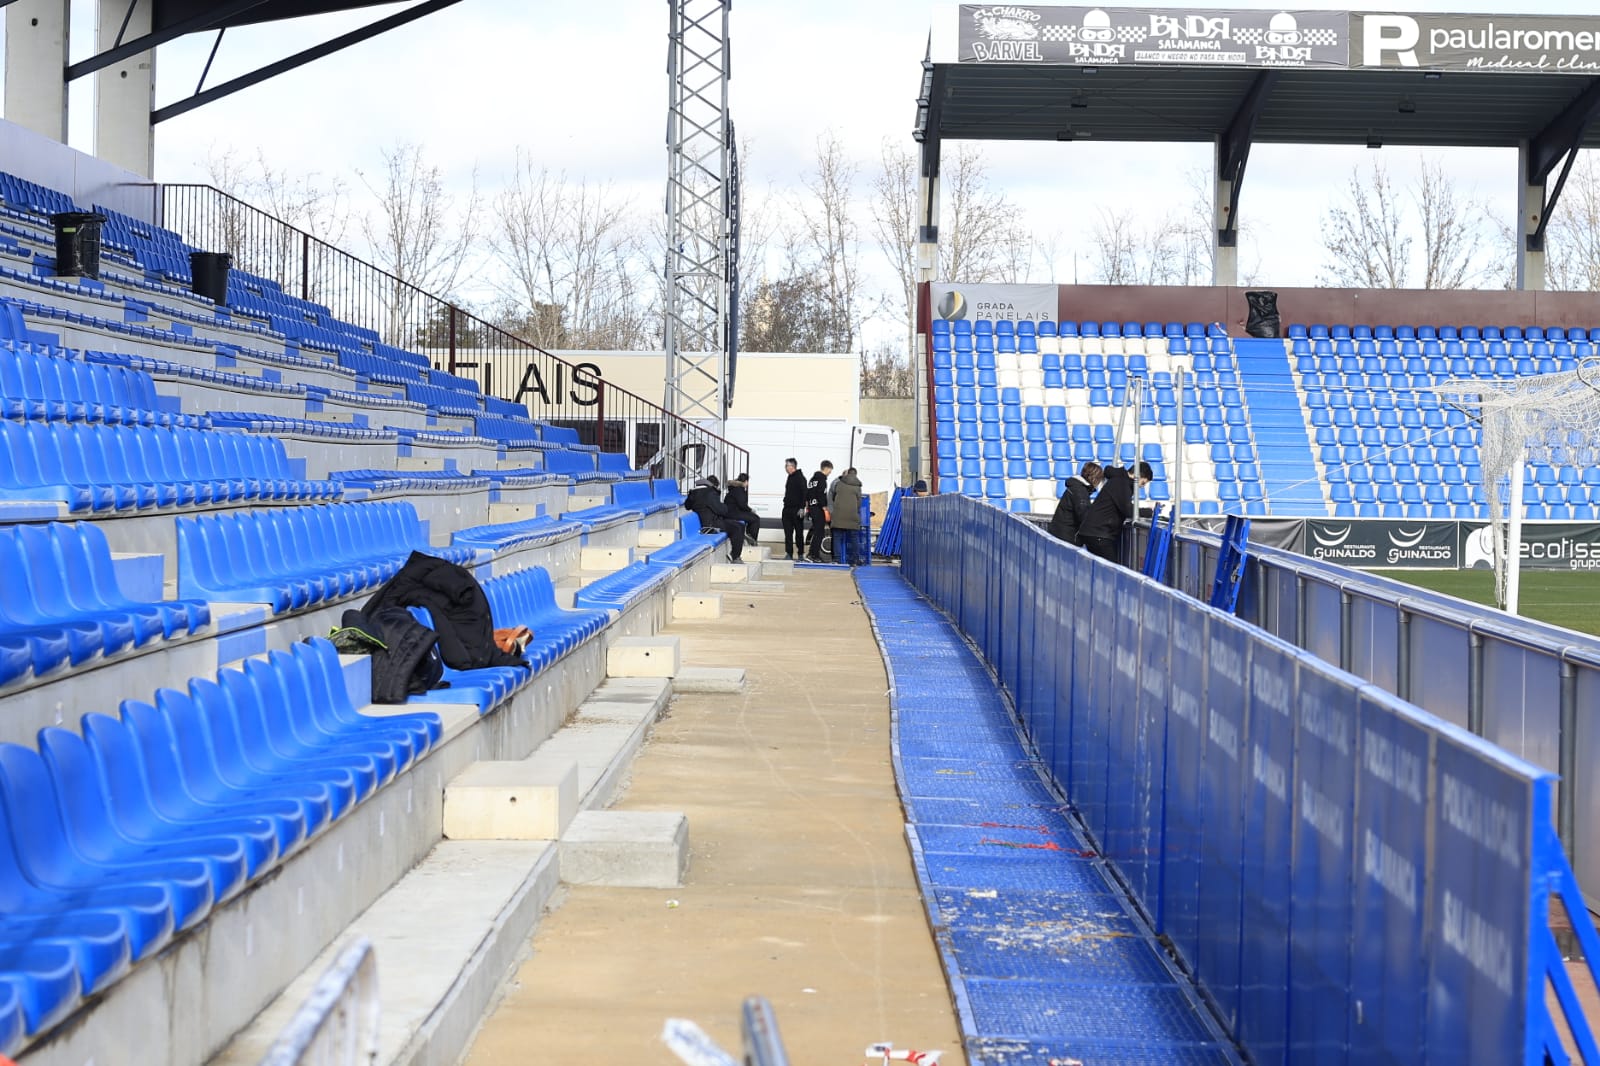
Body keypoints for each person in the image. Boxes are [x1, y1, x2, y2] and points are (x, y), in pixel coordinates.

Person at [1076, 464, 1134, 564]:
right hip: (1100, 534)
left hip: (1094, 532)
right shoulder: (1122, 483)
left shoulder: (1116, 481)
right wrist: (1148, 512)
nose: (1141, 486)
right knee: (1110, 569)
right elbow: (1127, 509)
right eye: (1143, 482)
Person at [684, 476, 746, 563]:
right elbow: (722, 510)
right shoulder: (709, 493)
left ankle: (735, 554)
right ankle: (735, 557)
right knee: (738, 527)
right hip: (710, 525)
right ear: (714, 485)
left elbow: (687, 506)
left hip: (705, 523)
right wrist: (724, 506)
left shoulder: (694, 493)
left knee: (739, 525)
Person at [1047, 461, 1102, 545]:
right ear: (1094, 478)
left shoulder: (1075, 488)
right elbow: (1084, 517)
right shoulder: (1080, 492)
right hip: (1066, 538)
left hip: (1059, 534)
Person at [830, 466, 865, 566]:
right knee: (854, 537)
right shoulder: (857, 486)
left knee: (837, 537)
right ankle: (855, 560)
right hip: (852, 516)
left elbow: (833, 496)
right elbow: (859, 502)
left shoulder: (839, 483)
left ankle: (837, 560)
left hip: (838, 515)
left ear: (847, 473)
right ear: (855, 474)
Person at [804, 461, 833, 562]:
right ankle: (813, 555)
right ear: (826, 468)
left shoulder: (812, 480)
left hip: (812, 507)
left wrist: (808, 507)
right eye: (830, 471)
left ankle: (812, 554)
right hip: (818, 508)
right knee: (819, 533)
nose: (830, 473)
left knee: (817, 531)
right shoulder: (822, 480)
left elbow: (807, 494)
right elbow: (821, 495)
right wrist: (824, 508)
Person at [724, 472, 762, 544]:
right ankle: (752, 539)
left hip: (731, 512)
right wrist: (751, 510)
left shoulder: (734, 488)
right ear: (746, 482)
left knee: (751, 517)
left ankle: (749, 536)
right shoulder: (739, 490)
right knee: (756, 519)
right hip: (733, 513)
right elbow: (742, 505)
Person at [781, 457, 807, 559]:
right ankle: (789, 553)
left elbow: (804, 493)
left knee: (799, 533)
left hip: (797, 509)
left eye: (787, 466)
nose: (785, 468)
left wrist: (802, 507)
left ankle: (800, 553)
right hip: (787, 509)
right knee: (788, 533)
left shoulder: (800, 477)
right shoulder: (789, 477)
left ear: (792, 466)